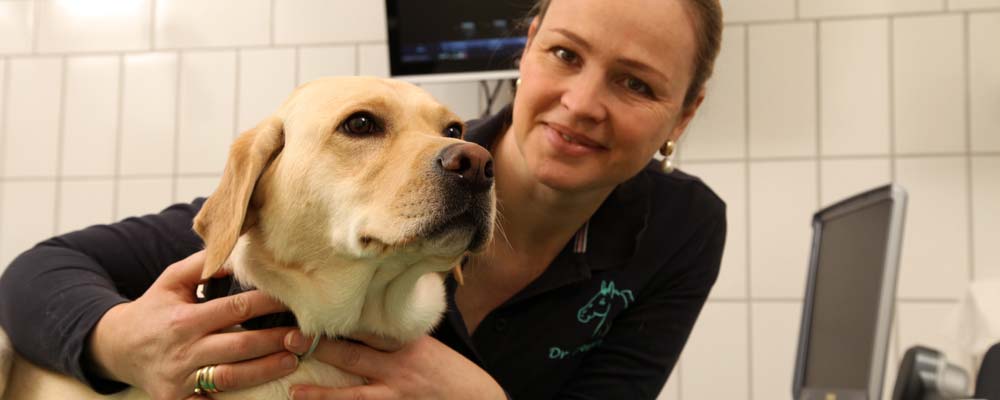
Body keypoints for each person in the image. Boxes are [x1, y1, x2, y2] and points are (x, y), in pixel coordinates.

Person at [0, 0, 726, 399]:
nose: (582, 102)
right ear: (528, 46)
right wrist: (119, 344)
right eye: (565, 53)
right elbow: (41, 273)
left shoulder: (682, 229)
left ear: (683, 114)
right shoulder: (299, 201)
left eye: (637, 83)